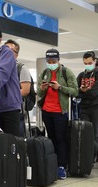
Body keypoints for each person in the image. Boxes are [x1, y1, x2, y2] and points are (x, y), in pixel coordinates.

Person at [37, 48, 78, 179]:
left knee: (61, 139)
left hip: (60, 112)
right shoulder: (44, 72)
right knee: (51, 138)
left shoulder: (66, 72)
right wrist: (42, 89)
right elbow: (39, 92)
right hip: (46, 111)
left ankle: (62, 166)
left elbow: (75, 91)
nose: (51, 63)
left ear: (59, 60)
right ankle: (53, 164)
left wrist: (59, 87)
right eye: (49, 61)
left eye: (53, 61)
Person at [76, 51, 98, 169]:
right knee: (85, 133)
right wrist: (82, 92)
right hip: (84, 107)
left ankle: (93, 157)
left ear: (95, 61)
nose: (87, 65)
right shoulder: (81, 75)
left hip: (97, 106)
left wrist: (84, 91)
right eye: (85, 63)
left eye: (90, 62)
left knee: (94, 133)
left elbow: (95, 92)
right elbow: (76, 91)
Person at [4, 39, 31, 137]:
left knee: (16, 141)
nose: (6, 52)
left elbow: (25, 90)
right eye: (4, 49)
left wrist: (6, 95)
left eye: (10, 50)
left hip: (15, 111)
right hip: (0, 110)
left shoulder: (21, 69)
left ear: (16, 54)